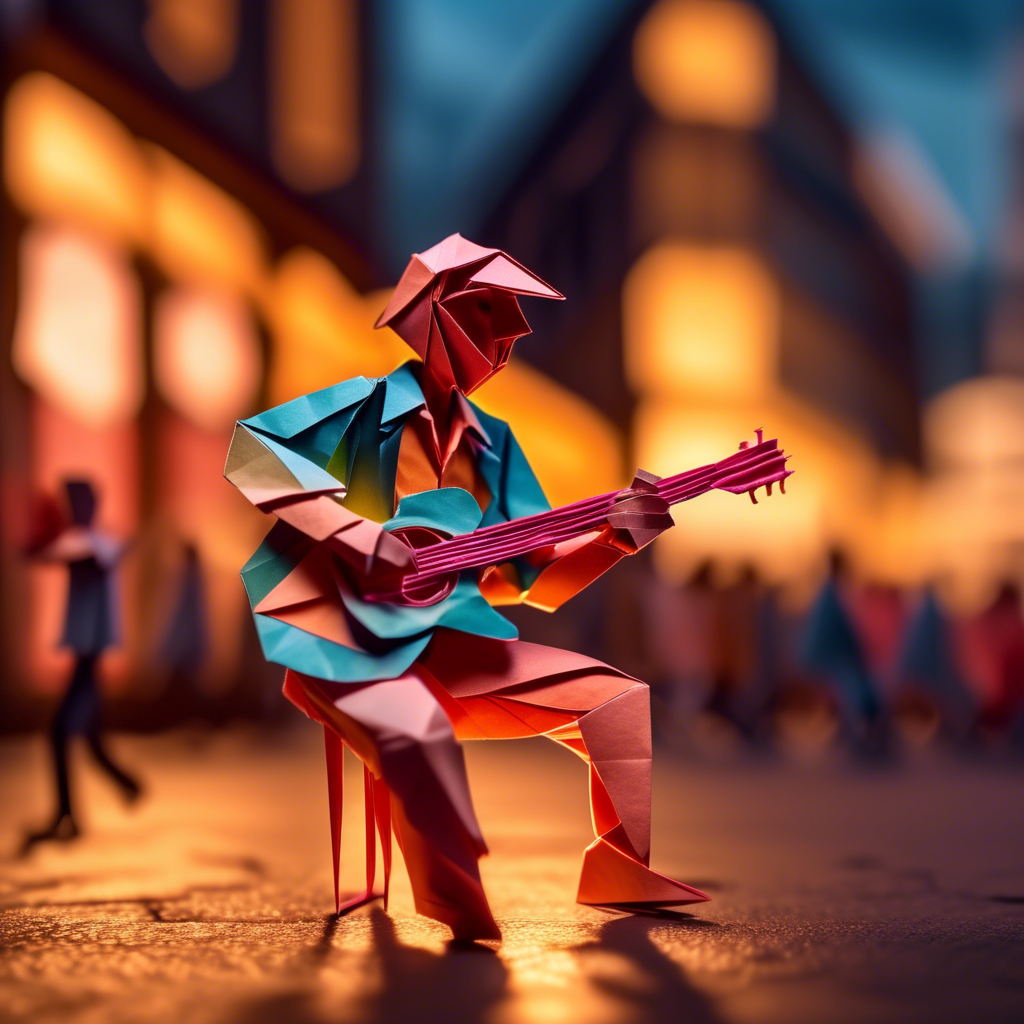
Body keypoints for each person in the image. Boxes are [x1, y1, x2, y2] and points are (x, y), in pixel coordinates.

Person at [226, 234, 708, 941]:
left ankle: (619, 866)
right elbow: (253, 452)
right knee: (414, 726)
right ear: (432, 314)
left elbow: (535, 576)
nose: (509, 335)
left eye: (510, 316)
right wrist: (360, 537)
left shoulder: (496, 441)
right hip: (338, 633)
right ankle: (457, 902)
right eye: (487, 313)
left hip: (445, 639)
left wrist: (616, 537)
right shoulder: (363, 407)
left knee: (615, 698)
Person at [23, 480, 141, 848]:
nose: (75, 508)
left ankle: (66, 816)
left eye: (78, 501)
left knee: (60, 732)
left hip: (90, 654)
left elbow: (57, 553)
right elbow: (42, 553)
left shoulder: (93, 543)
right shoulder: (85, 541)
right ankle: (126, 786)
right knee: (88, 734)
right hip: (85, 651)